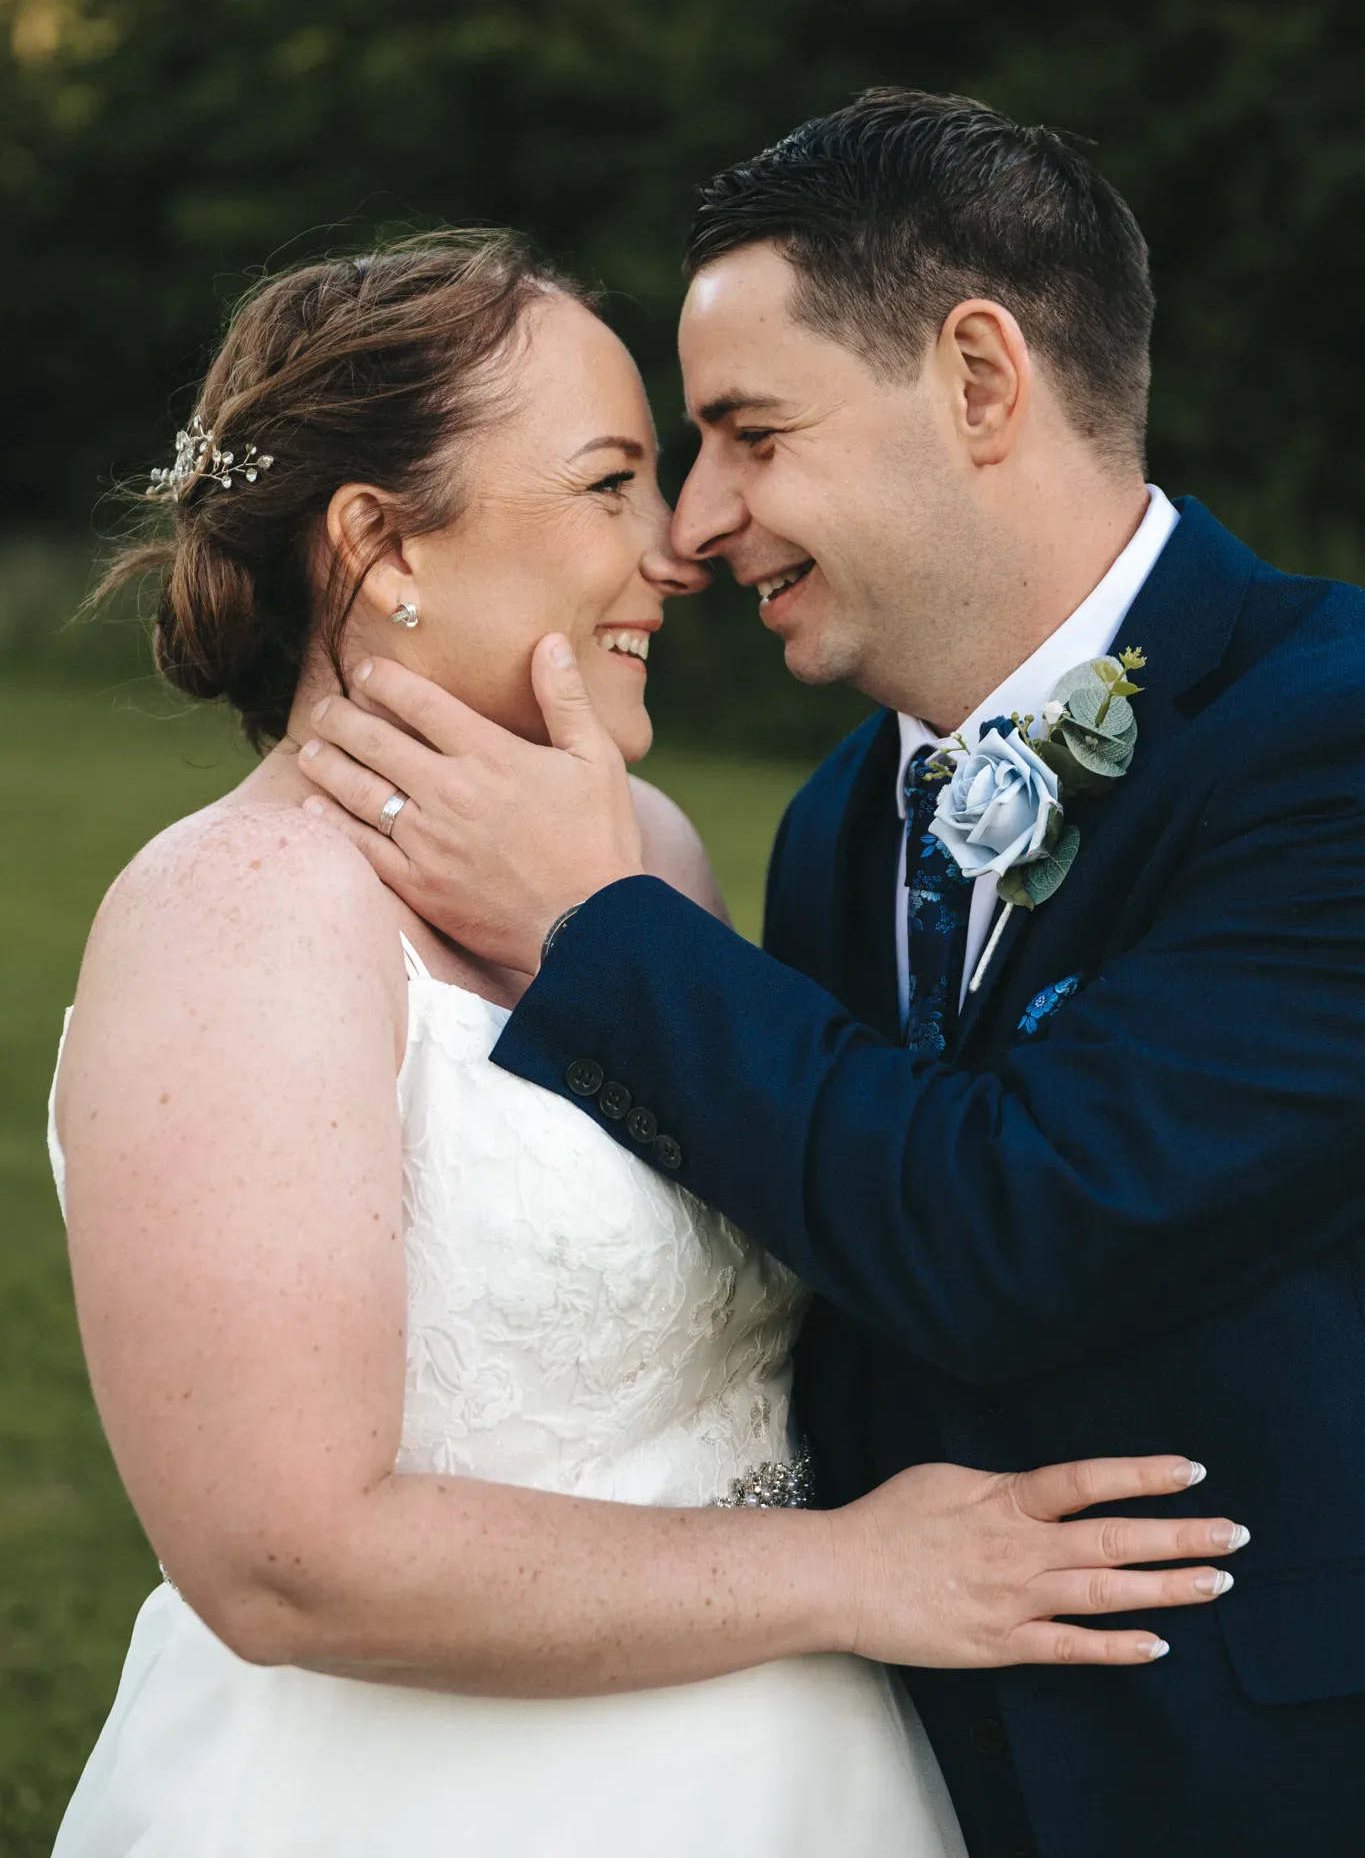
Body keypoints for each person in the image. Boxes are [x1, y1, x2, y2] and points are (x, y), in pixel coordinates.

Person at [48, 231, 1235, 1858]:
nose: (678, 543)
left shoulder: (651, 854)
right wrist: (864, 1572)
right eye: (611, 483)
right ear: (381, 544)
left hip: (808, 1781)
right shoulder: (240, 911)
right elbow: (282, 1555)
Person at [299, 95, 1365, 1858]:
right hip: (890, 1763)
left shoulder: (1326, 741)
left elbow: (1027, 1226)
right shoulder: (837, 822)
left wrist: (596, 927)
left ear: (978, 379)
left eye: (749, 434)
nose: (699, 528)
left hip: (1262, 1771)